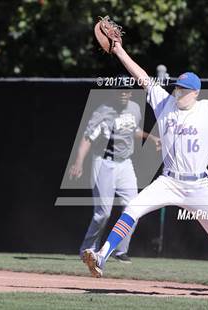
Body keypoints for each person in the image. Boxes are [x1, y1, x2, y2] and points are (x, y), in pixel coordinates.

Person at [82, 39, 208, 295]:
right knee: (132, 207)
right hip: (168, 182)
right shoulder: (165, 103)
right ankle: (101, 256)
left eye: (185, 89)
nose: (179, 92)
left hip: (197, 186)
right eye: (178, 87)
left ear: (196, 92)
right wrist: (119, 50)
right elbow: (141, 75)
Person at [69, 79, 161, 263]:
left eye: (127, 91)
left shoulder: (134, 108)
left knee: (134, 208)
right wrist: (78, 162)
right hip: (104, 162)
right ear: (114, 92)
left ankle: (120, 251)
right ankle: (87, 250)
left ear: (131, 93)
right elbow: (88, 138)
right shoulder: (103, 111)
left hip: (125, 163)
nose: (124, 94)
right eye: (120, 91)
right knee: (103, 212)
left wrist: (150, 137)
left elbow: (131, 129)